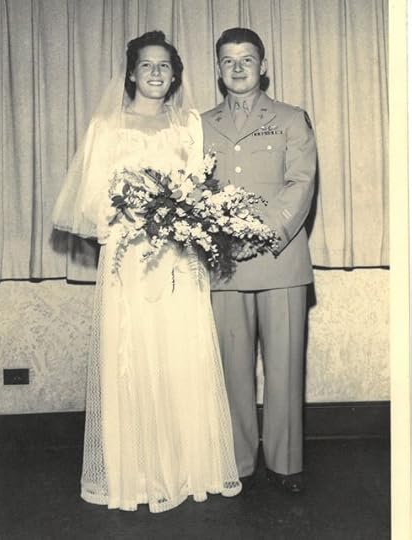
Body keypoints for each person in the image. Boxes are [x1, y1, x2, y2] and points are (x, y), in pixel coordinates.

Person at [53, 30, 241, 513]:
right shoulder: (107, 128)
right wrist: (132, 216)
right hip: (130, 261)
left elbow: (201, 187)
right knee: (132, 354)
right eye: (146, 65)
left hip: (180, 259)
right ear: (131, 72)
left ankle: (189, 468)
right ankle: (135, 475)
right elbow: (92, 200)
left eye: (164, 66)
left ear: (175, 74)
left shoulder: (189, 127)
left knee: (183, 353)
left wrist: (182, 218)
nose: (156, 73)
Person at [202, 27, 316, 494]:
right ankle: (240, 462)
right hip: (226, 263)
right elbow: (195, 190)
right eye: (228, 60)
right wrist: (226, 235)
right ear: (218, 69)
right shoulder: (201, 123)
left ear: (262, 65)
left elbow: (302, 182)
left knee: (285, 366)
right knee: (232, 368)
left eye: (246, 59)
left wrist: (263, 231)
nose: (237, 68)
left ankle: (286, 465)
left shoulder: (291, 118)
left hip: (280, 258)